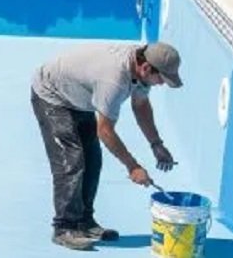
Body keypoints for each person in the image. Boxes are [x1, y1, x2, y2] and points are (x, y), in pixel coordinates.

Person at [30, 41, 183, 251]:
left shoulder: (141, 66)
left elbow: (140, 105)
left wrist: (156, 144)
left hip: (79, 96)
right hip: (53, 95)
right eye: (162, 79)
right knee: (72, 162)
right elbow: (105, 131)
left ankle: (84, 221)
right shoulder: (114, 80)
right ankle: (64, 227)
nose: (162, 84)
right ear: (146, 68)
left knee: (93, 160)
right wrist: (133, 166)